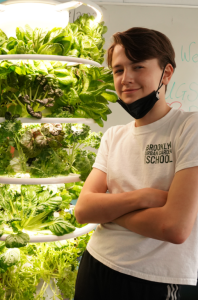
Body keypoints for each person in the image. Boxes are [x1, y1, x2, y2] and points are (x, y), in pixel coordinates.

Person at [74, 27, 198, 300]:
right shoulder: (113, 136)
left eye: (137, 66)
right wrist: (146, 197)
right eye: (118, 70)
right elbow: (83, 210)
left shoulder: (190, 127)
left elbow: (174, 228)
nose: (126, 79)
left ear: (166, 73)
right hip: (96, 263)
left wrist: (108, 211)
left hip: (157, 279)